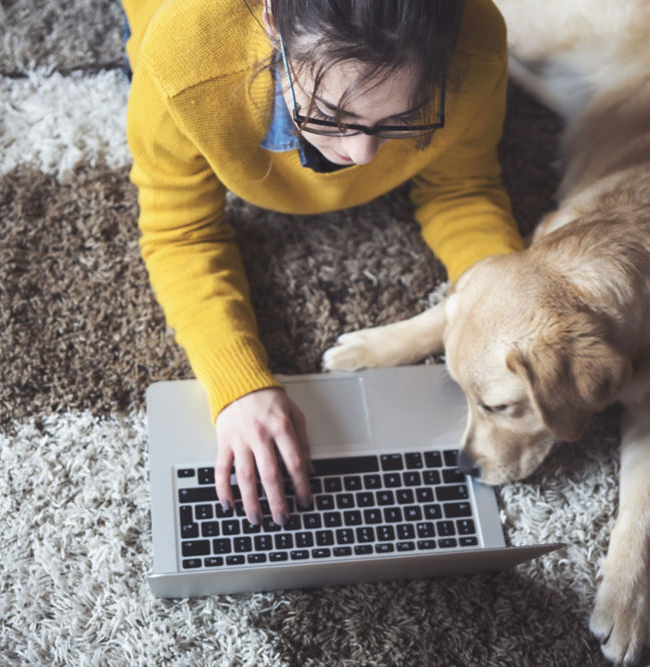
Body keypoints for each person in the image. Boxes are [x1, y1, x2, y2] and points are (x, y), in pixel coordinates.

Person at [122, 0, 524, 529]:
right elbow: (180, 231)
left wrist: (509, 313)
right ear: (272, 25)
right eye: (333, 116)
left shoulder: (475, 42)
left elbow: (462, 187)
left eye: (402, 118)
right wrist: (238, 387)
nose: (362, 154)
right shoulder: (183, 57)